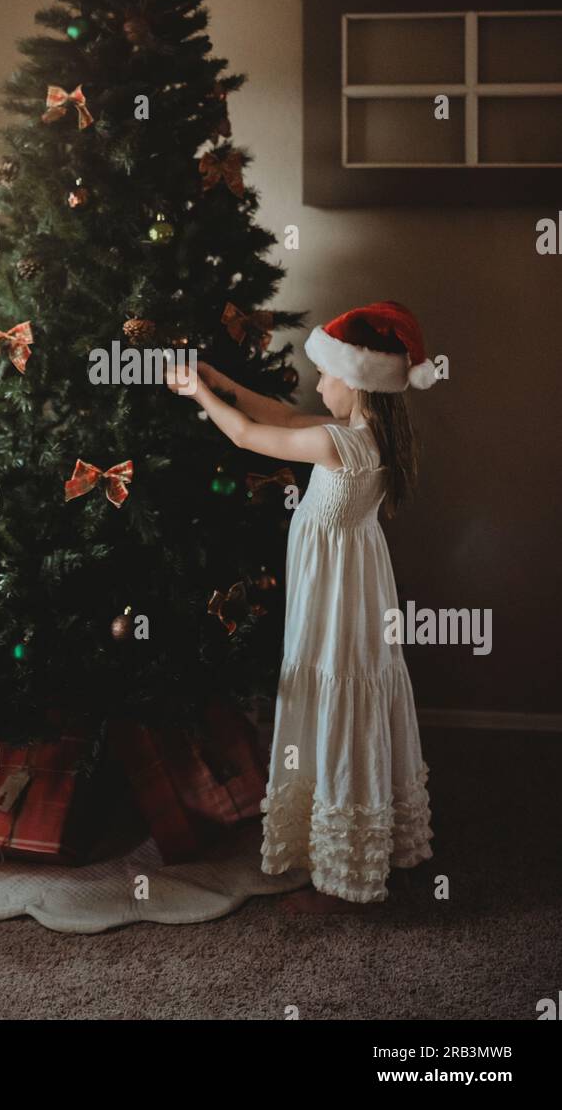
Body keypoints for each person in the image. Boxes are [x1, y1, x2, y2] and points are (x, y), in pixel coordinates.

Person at [166, 301, 435, 905]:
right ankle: (357, 822)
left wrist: (196, 394)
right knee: (353, 687)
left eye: (327, 373)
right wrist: (221, 381)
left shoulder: (339, 445)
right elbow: (282, 415)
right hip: (356, 586)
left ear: (357, 380)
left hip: (335, 599)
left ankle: (342, 835)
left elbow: (249, 434)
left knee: (335, 686)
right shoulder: (366, 436)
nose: (319, 382)